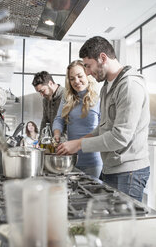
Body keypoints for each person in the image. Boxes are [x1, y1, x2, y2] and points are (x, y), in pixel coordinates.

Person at [56, 36, 150, 202]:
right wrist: (77, 144)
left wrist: (78, 144)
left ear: (103, 58)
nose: (87, 72)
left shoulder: (129, 85)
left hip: (129, 172)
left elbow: (120, 137)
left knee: (124, 224)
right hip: (111, 169)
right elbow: (102, 128)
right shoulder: (108, 87)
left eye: (88, 66)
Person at [53, 60, 103, 178]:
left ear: (87, 75)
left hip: (93, 161)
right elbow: (59, 119)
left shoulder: (99, 99)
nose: (76, 81)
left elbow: (102, 129)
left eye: (80, 76)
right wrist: (56, 134)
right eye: (72, 78)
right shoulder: (67, 98)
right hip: (71, 160)